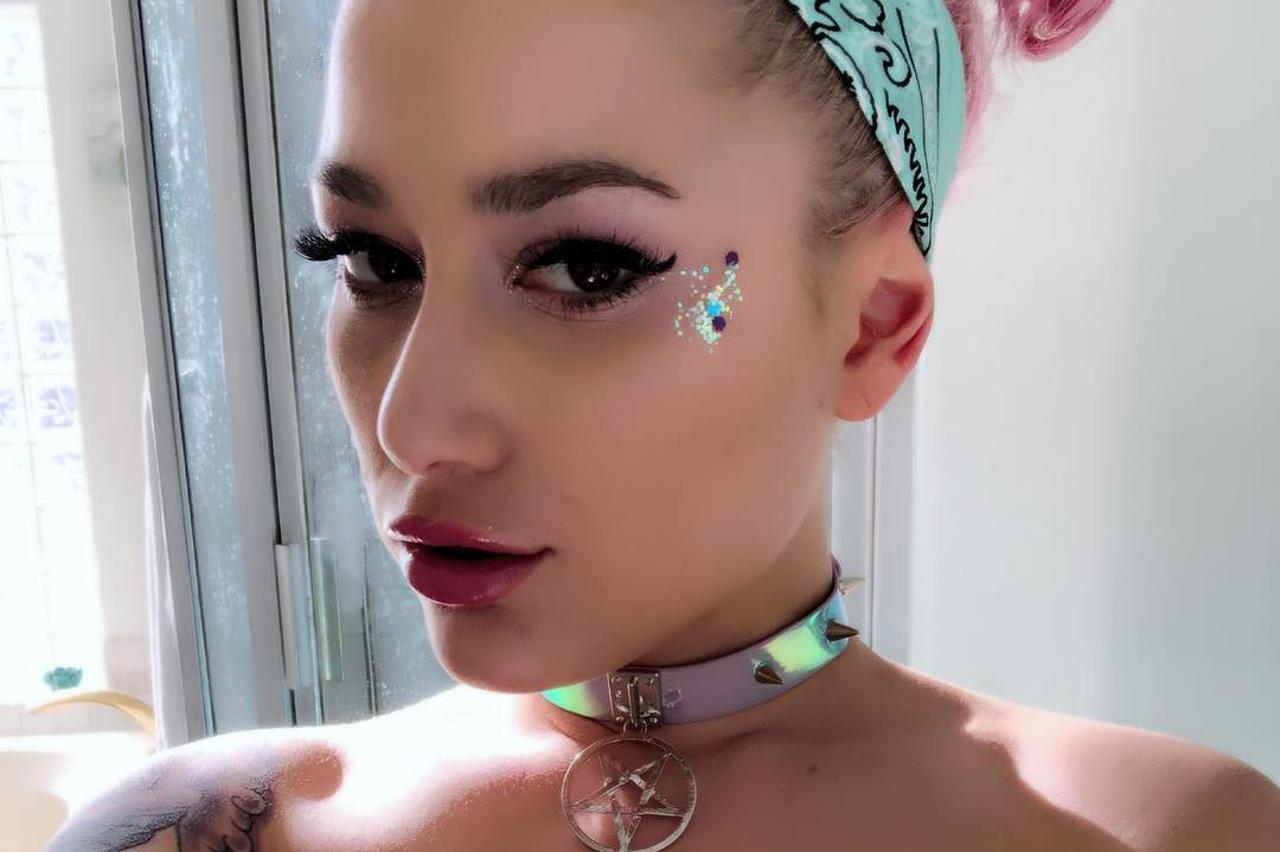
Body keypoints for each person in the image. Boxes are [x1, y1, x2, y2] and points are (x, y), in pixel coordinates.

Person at [47, 1, 1280, 850]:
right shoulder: (216, 828)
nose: (414, 424)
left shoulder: (1160, 832)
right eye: (372, 258)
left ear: (869, 328)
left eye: (585, 267)